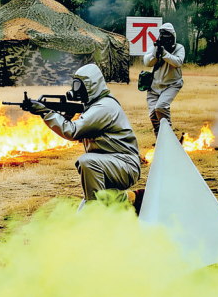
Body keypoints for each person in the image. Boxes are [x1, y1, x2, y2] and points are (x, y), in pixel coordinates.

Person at [27, 63, 144, 213]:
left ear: (91, 86)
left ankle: (99, 215)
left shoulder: (104, 107)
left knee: (86, 164)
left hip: (125, 165)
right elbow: (80, 132)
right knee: (81, 217)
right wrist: (64, 117)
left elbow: (72, 131)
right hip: (109, 164)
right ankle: (133, 199)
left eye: (79, 86)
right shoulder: (96, 106)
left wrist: (47, 113)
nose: (76, 90)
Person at [143, 23, 185, 137]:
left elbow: (178, 62)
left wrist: (164, 53)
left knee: (161, 107)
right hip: (154, 87)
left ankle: (169, 136)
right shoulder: (155, 48)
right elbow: (147, 62)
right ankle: (160, 139)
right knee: (153, 114)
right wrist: (156, 54)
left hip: (172, 85)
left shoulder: (179, 48)